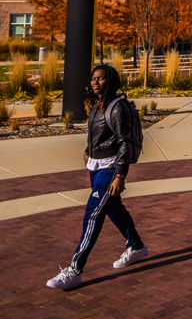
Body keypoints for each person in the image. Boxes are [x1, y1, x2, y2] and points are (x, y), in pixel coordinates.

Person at [46, 65, 147, 290]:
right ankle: (136, 246)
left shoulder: (117, 106)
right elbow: (100, 134)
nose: (95, 82)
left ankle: (75, 269)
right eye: (93, 79)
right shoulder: (98, 104)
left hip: (110, 168)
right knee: (113, 209)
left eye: (100, 79)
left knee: (93, 215)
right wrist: (87, 150)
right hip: (96, 165)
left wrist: (120, 174)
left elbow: (125, 141)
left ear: (110, 80)